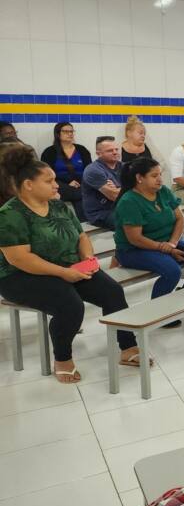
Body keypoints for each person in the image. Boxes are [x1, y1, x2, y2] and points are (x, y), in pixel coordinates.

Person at [0, 146, 145, 382]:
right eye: (49, 181)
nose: (57, 185)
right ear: (28, 185)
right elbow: (20, 258)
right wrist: (63, 273)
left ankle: (127, 347)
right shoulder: (9, 214)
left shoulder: (58, 206)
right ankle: (63, 358)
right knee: (70, 306)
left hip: (68, 267)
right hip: (20, 275)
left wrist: (87, 259)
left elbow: (81, 236)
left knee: (113, 293)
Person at [114, 158, 184, 320]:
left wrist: (172, 244)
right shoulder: (129, 201)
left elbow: (180, 219)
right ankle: (156, 314)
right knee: (172, 271)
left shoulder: (163, 191)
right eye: (154, 176)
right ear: (139, 178)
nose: (160, 179)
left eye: (160, 174)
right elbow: (135, 239)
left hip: (167, 243)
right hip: (133, 250)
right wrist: (166, 249)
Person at [40, 122, 91, 221]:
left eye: (71, 131)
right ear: (58, 134)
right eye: (66, 131)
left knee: (82, 192)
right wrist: (68, 183)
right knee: (77, 193)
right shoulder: (49, 152)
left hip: (81, 183)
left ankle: (84, 222)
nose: (70, 134)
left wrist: (79, 182)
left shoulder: (82, 150)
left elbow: (89, 169)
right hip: (59, 184)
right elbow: (47, 174)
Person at [82, 136, 122, 229]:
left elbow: (143, 188)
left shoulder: (124, 166)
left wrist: (118, 188)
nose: (115, 152)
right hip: (101, 214)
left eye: (116, 149)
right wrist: (128, 188)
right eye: (110, 150)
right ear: (98, 154)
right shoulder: (93, 170)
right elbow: (115, 196)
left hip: (120, 208)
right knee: (133, 220)